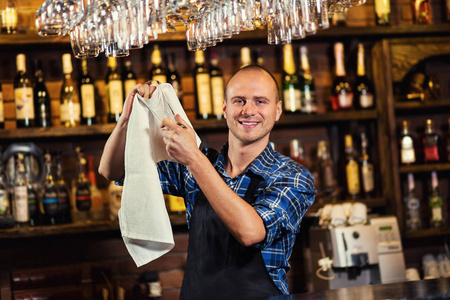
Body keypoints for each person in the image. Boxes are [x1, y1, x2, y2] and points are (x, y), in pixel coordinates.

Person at [99, 65, 316, 298]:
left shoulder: (292, 177)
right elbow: (112, 170)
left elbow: (250, 232)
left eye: (260, 101)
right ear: (224, 108)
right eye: (239, 101)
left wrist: (194, 158)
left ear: (278, 110)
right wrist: (127, 120)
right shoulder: (197, 163)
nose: (248, 110)